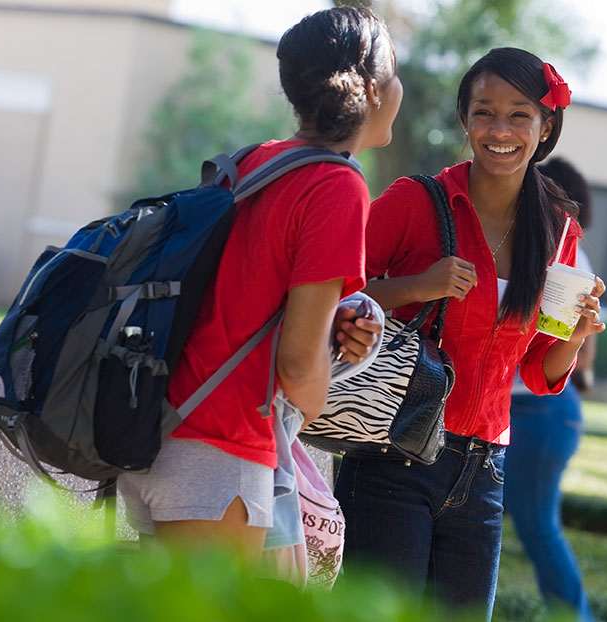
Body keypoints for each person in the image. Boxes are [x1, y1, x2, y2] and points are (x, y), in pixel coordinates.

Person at [116, 6, 400, 562]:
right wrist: (323, 380)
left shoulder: (252, 162)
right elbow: (298, 371)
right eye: (394, 75)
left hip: (158, 428)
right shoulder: (337, 185)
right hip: (218, 452)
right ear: (371, 88)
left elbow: (241, 299)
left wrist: (331, 334)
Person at [334, 47, 606, 619]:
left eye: (518, 115)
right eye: (484, 112)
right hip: (394, 455)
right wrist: (416, 286)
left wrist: (576, 337)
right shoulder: (416, 201)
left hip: (484, 471)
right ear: (465, 119)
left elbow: (537, 368)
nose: (499, 130)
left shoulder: (559, 233)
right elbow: (326, 292)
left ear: (545, 124)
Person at [503, 156, 596, 622]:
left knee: (537, 527)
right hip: (546, 411)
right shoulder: (559, 245)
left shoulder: (563, 247)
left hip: (538, 412)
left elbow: (577, 338)